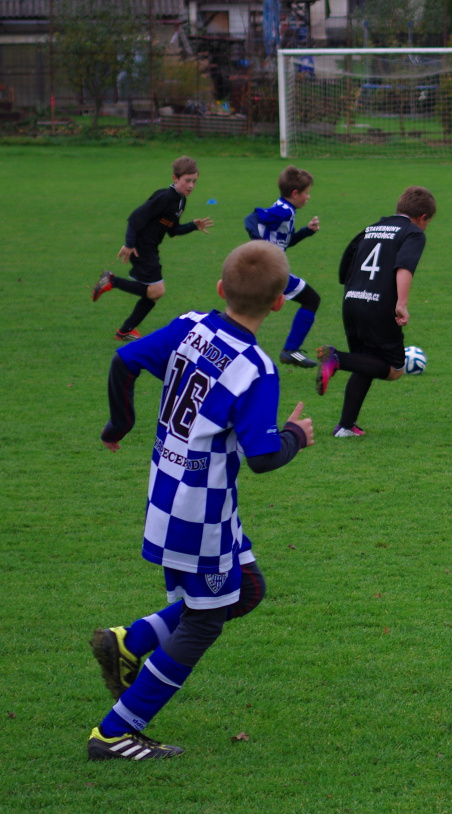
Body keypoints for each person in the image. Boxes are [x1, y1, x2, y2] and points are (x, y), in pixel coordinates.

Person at [87, 240, 315, 761]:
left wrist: (118, 425)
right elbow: (262, 456)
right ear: (279, 302)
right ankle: (116, 732)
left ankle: (128, 642)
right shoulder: (256, 368)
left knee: (247, 589)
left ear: (219, 287)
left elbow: (124, 361)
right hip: (200, 513)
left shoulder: (191, 325)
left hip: (172, 492)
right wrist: (296, 436)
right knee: (204, 621)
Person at [315, 185, 436, 437]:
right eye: (427, 222)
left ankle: (345, 427)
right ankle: (335, 358)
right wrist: (401, 303)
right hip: (379, 307)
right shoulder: (413, 233)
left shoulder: (371, 229)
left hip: (352, 301)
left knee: (366, 361)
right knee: (394, 369)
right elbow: (404, 266)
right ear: (422, 217)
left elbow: (344, 268)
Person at [91, 156, 213, 342]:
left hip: (150, 247)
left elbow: (172, 230)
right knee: (156, 291)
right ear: (175, 178)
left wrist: (193, 226)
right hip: (141, 247)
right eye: (187, 180)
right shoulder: (165, 197)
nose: (191, 185)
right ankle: (112, 281)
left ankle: (125, 330)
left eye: (194, 181)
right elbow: (135, 218)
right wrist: (129, 243)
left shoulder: (180, 200)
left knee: (153, 294)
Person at [244, 164, 322, 369]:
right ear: (295, 193)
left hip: (265, 268)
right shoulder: (283, 211)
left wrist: (307, 231)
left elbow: (284, 242)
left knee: (252, 309)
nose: (308, 197)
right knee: (311, 300)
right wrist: (260, 247)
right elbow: (251, 219)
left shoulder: (287, 209)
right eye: (306, 193)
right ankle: (290, 350)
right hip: (270, 269)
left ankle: (222, 337)